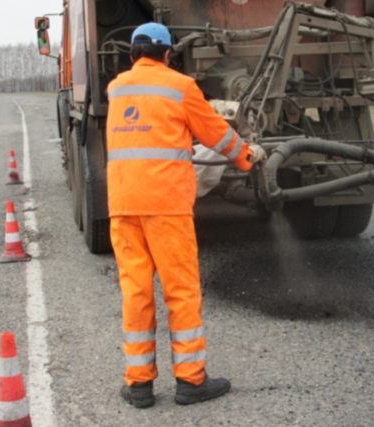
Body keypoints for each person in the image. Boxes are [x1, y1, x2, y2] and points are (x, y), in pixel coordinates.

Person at [105, 22, 266, 408]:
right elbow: (216, 135)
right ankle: (191, 381)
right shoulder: (180, 87)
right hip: (167, 208)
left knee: (137, 293)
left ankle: (139, 385)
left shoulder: (116, 89)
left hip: (124, 206)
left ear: (131, 56)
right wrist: (248, 157)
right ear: (167, 54)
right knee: (180, 292)